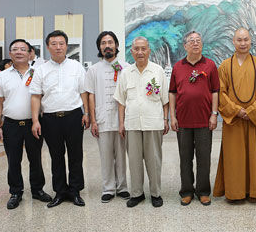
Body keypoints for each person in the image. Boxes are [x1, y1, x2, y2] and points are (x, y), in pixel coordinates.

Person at [30, 30, 89, 208]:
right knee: (56, 156)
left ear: (66, 46)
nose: (58, 47)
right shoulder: (41, 70)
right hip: (50, 119)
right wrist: (35, 120)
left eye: (61, 43)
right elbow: (35, 96)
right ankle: (60, 191)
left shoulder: (76, 67)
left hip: (73, 116)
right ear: (48, 47)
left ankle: (75, 190)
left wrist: (86, 113)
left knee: (75, 154)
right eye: (54, 44)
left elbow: (83, 92)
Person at [213, 28, 256, 203]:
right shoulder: (224, 66)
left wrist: (251, 111)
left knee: (254, 154)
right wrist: (237, 110)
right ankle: (234, 192)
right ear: (233, 42)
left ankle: (253, 191)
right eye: (239, 40)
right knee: (234, 157)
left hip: (254, 119)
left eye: (246, 40)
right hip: (234, 120)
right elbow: (220, 93)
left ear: (251, 41)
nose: (243, 43)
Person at [0, 39, 51, 209]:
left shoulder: (38, 72)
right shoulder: (2, 76)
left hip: (33, 123)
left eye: (22, 49)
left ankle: (37, 190)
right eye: (15, 49)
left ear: (30, 53)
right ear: (10, 54)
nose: (19, 52)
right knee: (13, 160)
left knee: (35, 158)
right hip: (10, 124)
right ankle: (16, 192)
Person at [114, 36, 169, 208]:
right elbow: (121, 102)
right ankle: (137, 194)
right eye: (136, 49)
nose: (140, 52)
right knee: (134, 161)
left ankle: (156, 193)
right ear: (131, 51)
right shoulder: (125, 73)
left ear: (149, 50)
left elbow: (165, 100)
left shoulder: (158, 71)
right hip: (132, 124)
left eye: (143, 49)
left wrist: (166, 120)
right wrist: (121, 123)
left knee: (154, 160)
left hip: (154, 123)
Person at [169, 30, 219, 206]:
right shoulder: (177, 67)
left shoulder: (210, 65)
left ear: (202, 44)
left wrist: (214, 115)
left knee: (204, 157)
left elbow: (215, 91)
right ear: (185, 45)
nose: (195, 43)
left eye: (198, 40)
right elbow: (172, 93)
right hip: (183, 121)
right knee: (185, 157)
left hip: (205, 121)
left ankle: (203, 191)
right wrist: (172, 117)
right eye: (191, 41)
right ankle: (187, 191)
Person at [85, 31, 130, 203]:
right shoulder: (94, 70)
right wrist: (93, 120)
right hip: (102, 118)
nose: (107, 46)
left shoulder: (126, 67)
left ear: (117, 45)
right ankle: (108, 188)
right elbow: (91, 95)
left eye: (110, 42)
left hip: (122, 119)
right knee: (105, 156)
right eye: (103, 43)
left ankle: (123, 187)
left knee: (121, 154)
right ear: (99, 47)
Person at [0, 58, 13, 146]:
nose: (12, 65)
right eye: (10, 63)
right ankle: (0, 139)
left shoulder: (8, 74)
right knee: (0, 119)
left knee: (3, 119)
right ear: (6, 65)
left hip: (5, 99)